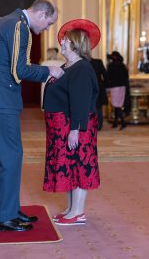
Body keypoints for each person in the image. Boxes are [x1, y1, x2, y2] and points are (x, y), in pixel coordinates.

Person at [0, 0, 64, 232]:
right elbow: (20, 69)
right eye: (49, 23)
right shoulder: (18, 26)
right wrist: (49, 71)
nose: (47, 29)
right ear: (42, 14)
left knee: (7, 158)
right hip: (1, 100)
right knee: (11, 158)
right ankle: (4, 217)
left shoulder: (12, 22)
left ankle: (10, 210)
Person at [43, 19, 100, 226]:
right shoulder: (67, 66)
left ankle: (78, 212)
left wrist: (75, 130)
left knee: (78, 166)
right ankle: (70, 209)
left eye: (66, 40)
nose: (62, 43)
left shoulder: (82, 68)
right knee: (69, 166)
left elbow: (80, 102)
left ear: (75, 44)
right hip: (63, 126)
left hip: (75, 126)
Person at [107, 51, 129, 130]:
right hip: (122, 87)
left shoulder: (110, 66)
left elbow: (108, 77)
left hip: (114, 87)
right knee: (118, 105)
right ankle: (116, 122)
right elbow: (126, 76)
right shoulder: (123, 65)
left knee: (116, 105)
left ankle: (123, 122)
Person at [90, 57, 108, 130]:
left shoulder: (82, 63)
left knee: (91, 107)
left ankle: (91, 124)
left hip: (87, 87)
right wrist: (104, 85)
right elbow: (105, 75)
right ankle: (99, 125)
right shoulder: (98, 62)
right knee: (98, 107)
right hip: (98, 86)